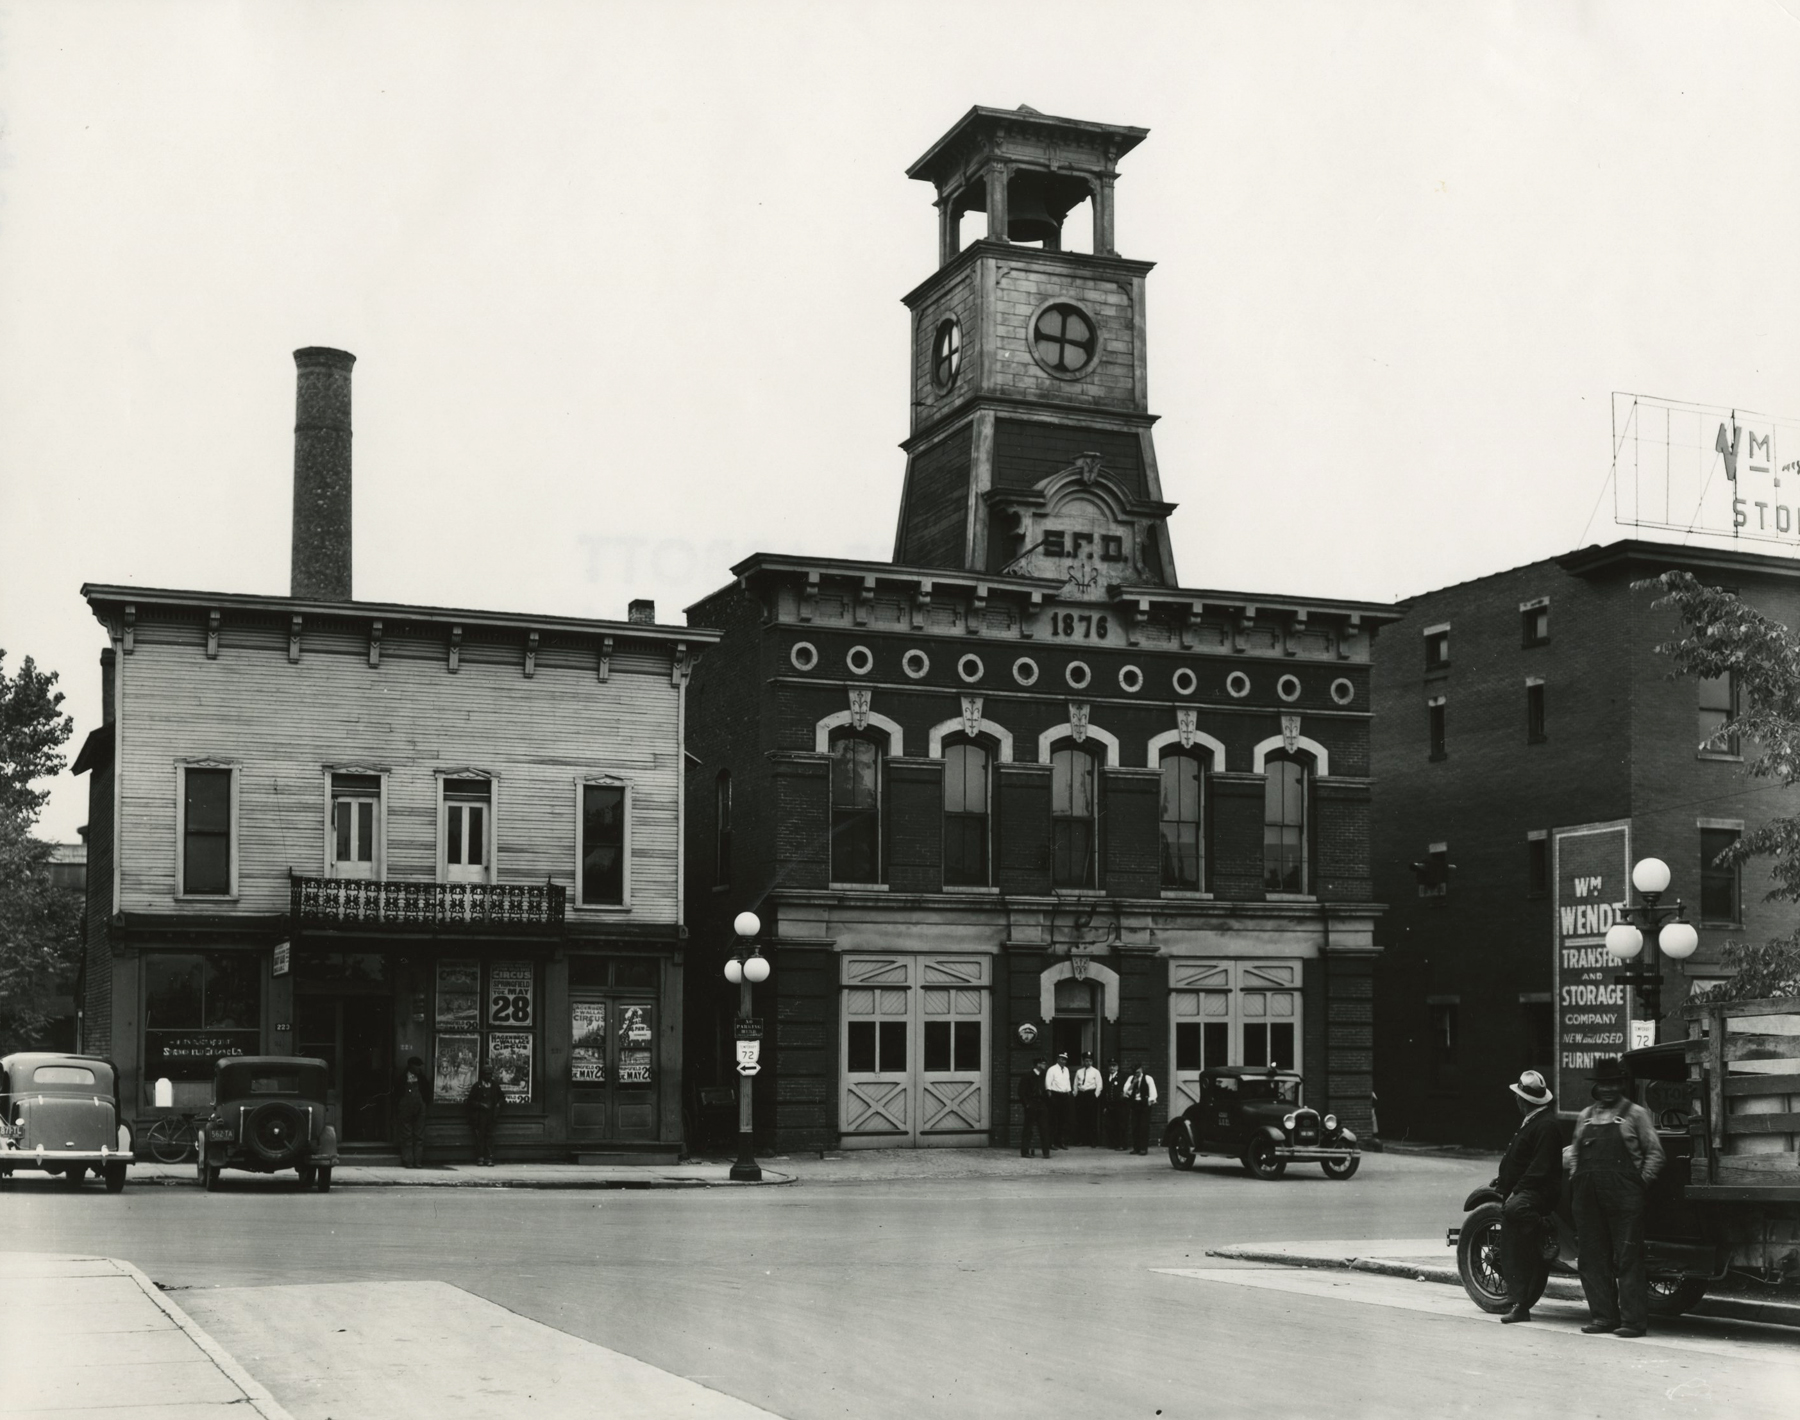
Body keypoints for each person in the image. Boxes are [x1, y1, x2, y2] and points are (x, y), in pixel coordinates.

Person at [1568, 1056, 1665, 1338]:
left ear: (1621, 1084)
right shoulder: (1585, 1115)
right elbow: (1575, 1154)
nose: (1608, 1089)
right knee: (1591, 1258)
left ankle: (1633, 1322)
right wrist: (1577, 1179)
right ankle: (1602, 1317)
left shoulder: (1635, 1114)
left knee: (1627, 1257)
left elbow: (1655, 1154)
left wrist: (1638, 1184)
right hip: (1587, 1196)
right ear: (1596, 1086)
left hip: (1624, 1197)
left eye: (1613, 1084)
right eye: (1603, 1084)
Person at [1493, 1068, 1561, 1324]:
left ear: (1524, 1100)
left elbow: (1539, 1168)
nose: (1516, 1101)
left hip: (1537, 1193)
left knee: (1515, 1213)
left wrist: (1516, 1192)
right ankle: (1520, 1305)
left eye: (1518, 1097)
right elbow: (1521, 1160)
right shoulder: (1534, 1121)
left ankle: (1545, 1229)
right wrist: (1504, 1182)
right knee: (1514, 1249)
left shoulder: (1546, 1126)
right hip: (1525, 1190)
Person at [467, 1062, 506, 1166]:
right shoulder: (477, 1086)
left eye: (490, 1074)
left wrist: (498, 1104)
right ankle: (480, 1157)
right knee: (480, 1137)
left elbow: (502, 1097)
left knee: (490, 1136)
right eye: (486, 1074)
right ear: (482, 1075)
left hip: (491, 1115)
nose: (488, 1076)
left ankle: (489, 1158)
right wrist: (481, 1105)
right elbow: (470, 1101)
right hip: (480, 1116)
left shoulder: (495, 1086)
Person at [396, 1055, 431, 1168]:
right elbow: (397, 1094)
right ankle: (408, 1161)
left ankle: (418, 1161)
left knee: (419, 1136)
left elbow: (427, 1093)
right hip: (405, 1109)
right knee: (407, 1136)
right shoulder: (402, 1079)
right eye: (417, 1066)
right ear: (411, 1066)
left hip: (420, 1109)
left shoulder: (422, 1078)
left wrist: (424, 1105)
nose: (419, 1068)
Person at [1018, 1059, 1051, 1158]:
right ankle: (1025, 1152)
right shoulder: (1027, 1076)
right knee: (1028, 1129)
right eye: (1043, 1063)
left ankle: (1046, 1152)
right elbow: (1021, 1092)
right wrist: (1027, 1105)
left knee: (1044, 1128)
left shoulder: (1044, 1076)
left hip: (1041, 1105)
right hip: (1031, 1105)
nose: (1045, 1065)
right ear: (1038, 1064)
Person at [1123, 1062, 1158, 1155]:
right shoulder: (1131, 1079)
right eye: (1135, 1072)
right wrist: (1133, 1083)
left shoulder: (1148, 1078)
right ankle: (1136, 1148)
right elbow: (1126, 1092)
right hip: (1135, 1105)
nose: (1137, 1074)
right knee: (1135, 1126)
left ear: (1141, 1070)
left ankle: (1143, 1148)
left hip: (1144, 1105)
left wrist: (1148, 1103)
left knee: (1144, 1127)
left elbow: (1153, 1093)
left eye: (1138, 1072)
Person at [1044, 1051, 1074, 1151]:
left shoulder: (1066, 1070)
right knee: (1053, 1120)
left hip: (1064, 1096)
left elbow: (1068, 1082)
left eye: (1065, 1059)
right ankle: (1051, 1142)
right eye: (1062, 1059)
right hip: (1055, 1095)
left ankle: (1061, 1141)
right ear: (1058, 1059)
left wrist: (1069, 1092)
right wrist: (1049, 1094)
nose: (1063, 1061)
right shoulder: (1052, 1069)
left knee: (1063, 1120)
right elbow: (1048, 1083)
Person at [1073, 1053, 1102, 1146]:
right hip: (1081, 1096)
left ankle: (1093, 1141)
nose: (1088, 1062)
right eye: (1086, 1061)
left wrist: (1095, 1096)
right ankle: (1082, 1140)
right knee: (1081, 1119)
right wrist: (1075, 1095)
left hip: (1091, 1095)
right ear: (1083, 1061)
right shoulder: (1079, 1072)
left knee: (1092, 1119)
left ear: (1092, 1061)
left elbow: (1099, 1085)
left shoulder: (1096, 1072)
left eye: (1090, 1061)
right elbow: (1075, 1084)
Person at [1102, 1059, 1126, 1150]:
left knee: (1120, 1125)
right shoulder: (1106, 1077)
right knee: (1111, 1125)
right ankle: (1114, 1143)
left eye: (1114, 1066)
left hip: (1119, 1105)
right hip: (1110, 1105)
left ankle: (1121, 1144)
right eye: (1110, 1066)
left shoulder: (1122, 1077)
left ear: (1117, 1067)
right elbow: (1105, 1093)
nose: (1112, 1068)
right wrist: (1105, 1106)